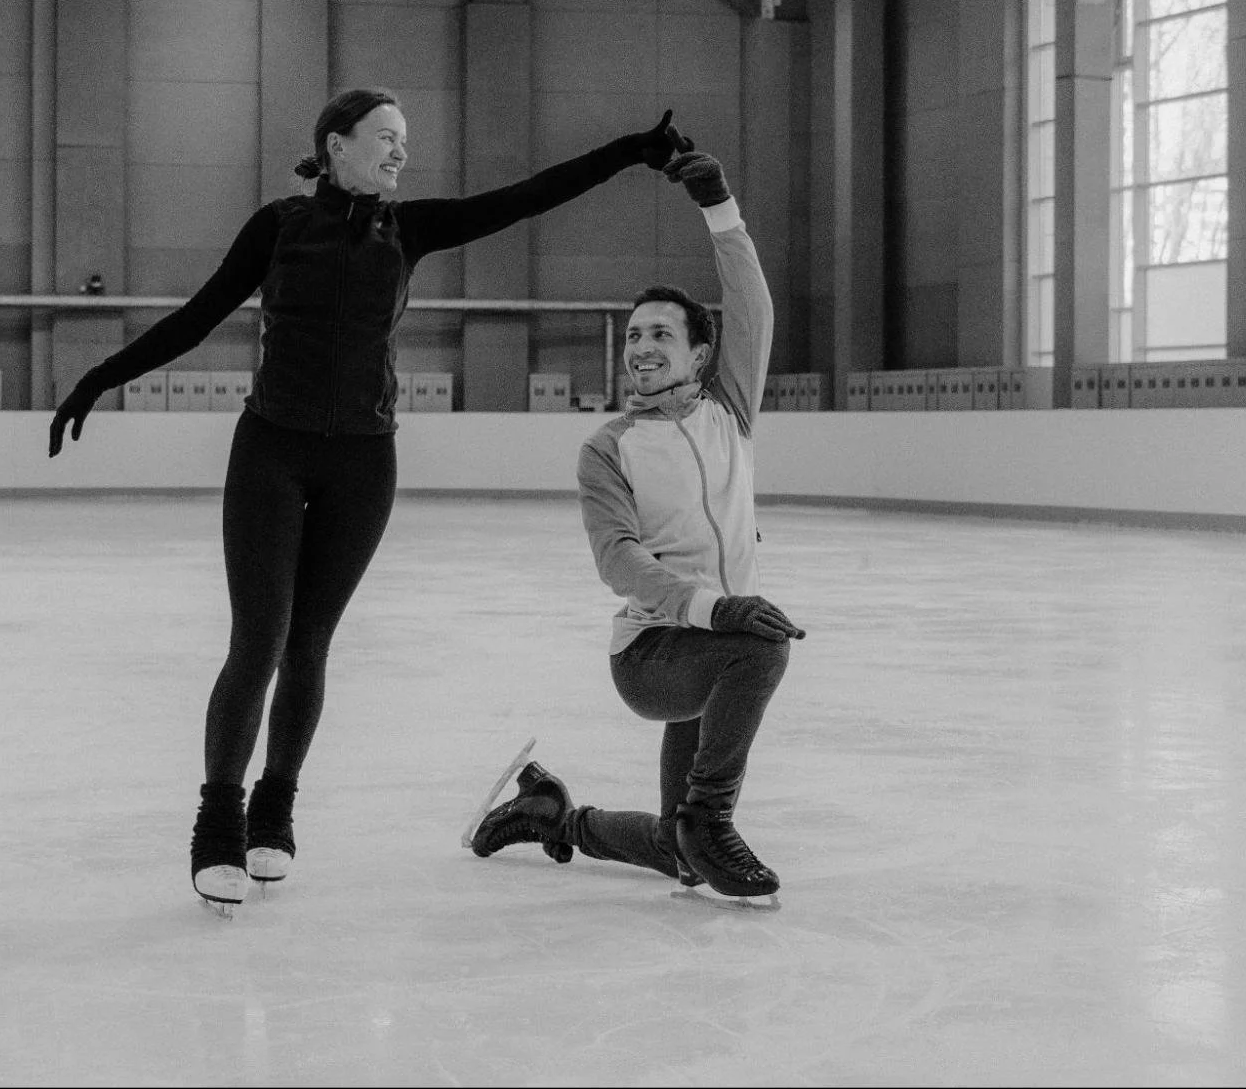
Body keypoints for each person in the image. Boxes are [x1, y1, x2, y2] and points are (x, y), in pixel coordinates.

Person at [47, 87, 686, 914]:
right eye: (384, 138)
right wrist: (101, 378)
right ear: (335, 145)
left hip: (363, 462)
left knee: (308, 644)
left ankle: (274, 812)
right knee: (259, 640)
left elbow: (529, 197)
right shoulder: (278, 225)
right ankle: (217, 824)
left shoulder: (408, 229)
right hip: (271, 452)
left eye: (404, 141)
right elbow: (198, 316)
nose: (399, 153)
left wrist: (633, 147)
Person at [466, 149, 804, 909]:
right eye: (632, 337)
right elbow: (617, 560)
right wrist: (712, 607)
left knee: (680, 858)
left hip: (716, 646)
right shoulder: (608, 447)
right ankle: (710, 819)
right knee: (761, 648)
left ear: (699, 353)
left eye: (659, 334)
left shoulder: (729, 414)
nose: (642, 348)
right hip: (657, 654)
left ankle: (554, 816)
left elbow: (754, 306)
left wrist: (720, 207)